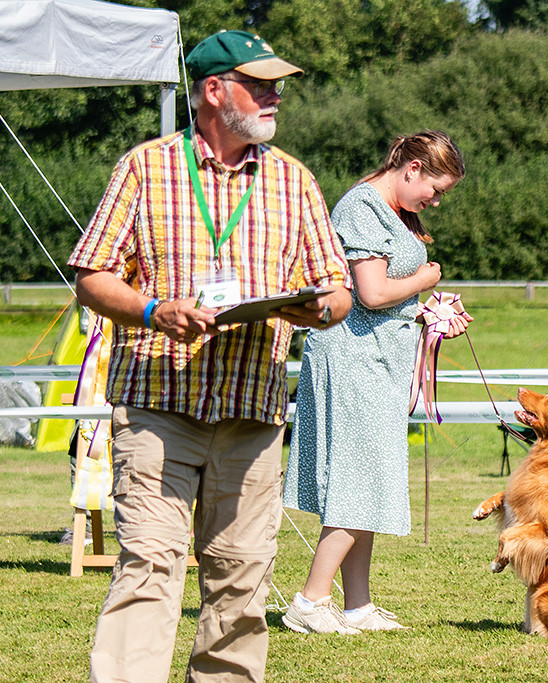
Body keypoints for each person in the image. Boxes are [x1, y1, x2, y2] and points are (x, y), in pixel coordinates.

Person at [68, 30, 352, 682]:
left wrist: (317, 309)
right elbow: (91, 274)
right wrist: (152, 310)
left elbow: (336, 290)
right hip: (157, 401)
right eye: (260, 84)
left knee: (242, 572)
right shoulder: (146, 167)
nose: (275, 95)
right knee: (149, 561)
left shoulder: (293, 180)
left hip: (251, 407)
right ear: (215, 91)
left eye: (278, 84)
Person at [281, 131, 471, 634]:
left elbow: (391, 294)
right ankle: (309, 601)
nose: (436, 200)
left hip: (379, 361)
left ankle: (357, 605)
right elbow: (372, 291)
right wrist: (426, 280)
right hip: (352, 359)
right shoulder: (362, 207)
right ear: (411, 168)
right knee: (358, 481)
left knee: (368, 480)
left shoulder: (392, 211)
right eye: (436, 188)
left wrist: (427, 307)